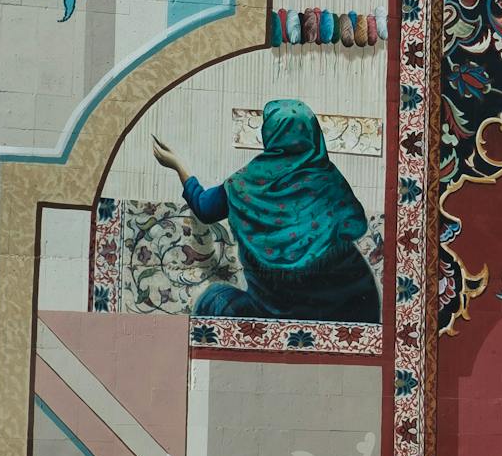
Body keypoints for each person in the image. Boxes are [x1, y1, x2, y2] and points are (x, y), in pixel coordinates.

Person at [151, 99, 380, 323]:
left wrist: (177, 165)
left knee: (213, 300)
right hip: (354, 309)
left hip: (277, 312)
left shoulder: (245, 184)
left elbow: (204, 207)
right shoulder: (328, 179)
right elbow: (355, 224)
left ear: (269, 133)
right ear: (312, 133)